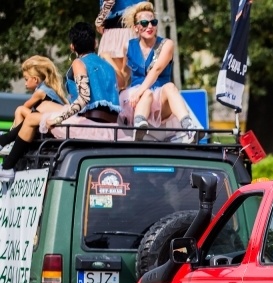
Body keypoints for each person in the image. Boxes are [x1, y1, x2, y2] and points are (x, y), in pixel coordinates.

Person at [0, 22, 122, 181]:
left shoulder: (79, 63)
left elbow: (84, 99)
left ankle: (8, 166)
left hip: (91, 124)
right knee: (43, 106)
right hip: (109, 123)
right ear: (95, 43)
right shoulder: (107, 65)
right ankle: (4, 140)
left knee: (31, 118)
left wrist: (58, 119)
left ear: (72, 47)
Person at [118, 1, 200, 142]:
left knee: (169, 87)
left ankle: (189, 127)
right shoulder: (128, 46)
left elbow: (156, 70)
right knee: (147, 94)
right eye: (144, 23)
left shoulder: (166, 44)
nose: (149, 26)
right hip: (136, 100)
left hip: (160, 98)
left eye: (153, 22)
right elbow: (124, 75)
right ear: (136, 27)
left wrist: (139, 92)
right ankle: (139, 127)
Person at [0, 56, 68, 153]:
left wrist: (13, 127)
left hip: (52, 124)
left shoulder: (41, 92)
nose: (25, 83)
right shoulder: (48, 89)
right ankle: (12, 138)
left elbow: (25, 106)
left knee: (20, 110)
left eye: (26, 79)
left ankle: (13, 140)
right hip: (52, 122)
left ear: (35, 79)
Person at [95, 0, 137, 73]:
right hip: (136, 28)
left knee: (118, 78)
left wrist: (99, 21)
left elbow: (109, 1)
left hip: (117, 31)